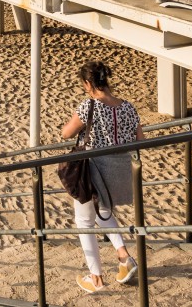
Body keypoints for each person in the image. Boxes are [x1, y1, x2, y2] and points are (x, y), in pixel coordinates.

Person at [60, 60, 142, 294]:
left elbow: (66, 132)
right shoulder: (128, 107)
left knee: (84, 220)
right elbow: (140, 139)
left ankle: (95, 278)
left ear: (88, 83)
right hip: (120, 171)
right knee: (103, 212)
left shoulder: (89, 105)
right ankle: (124, 257)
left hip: (94, 171)